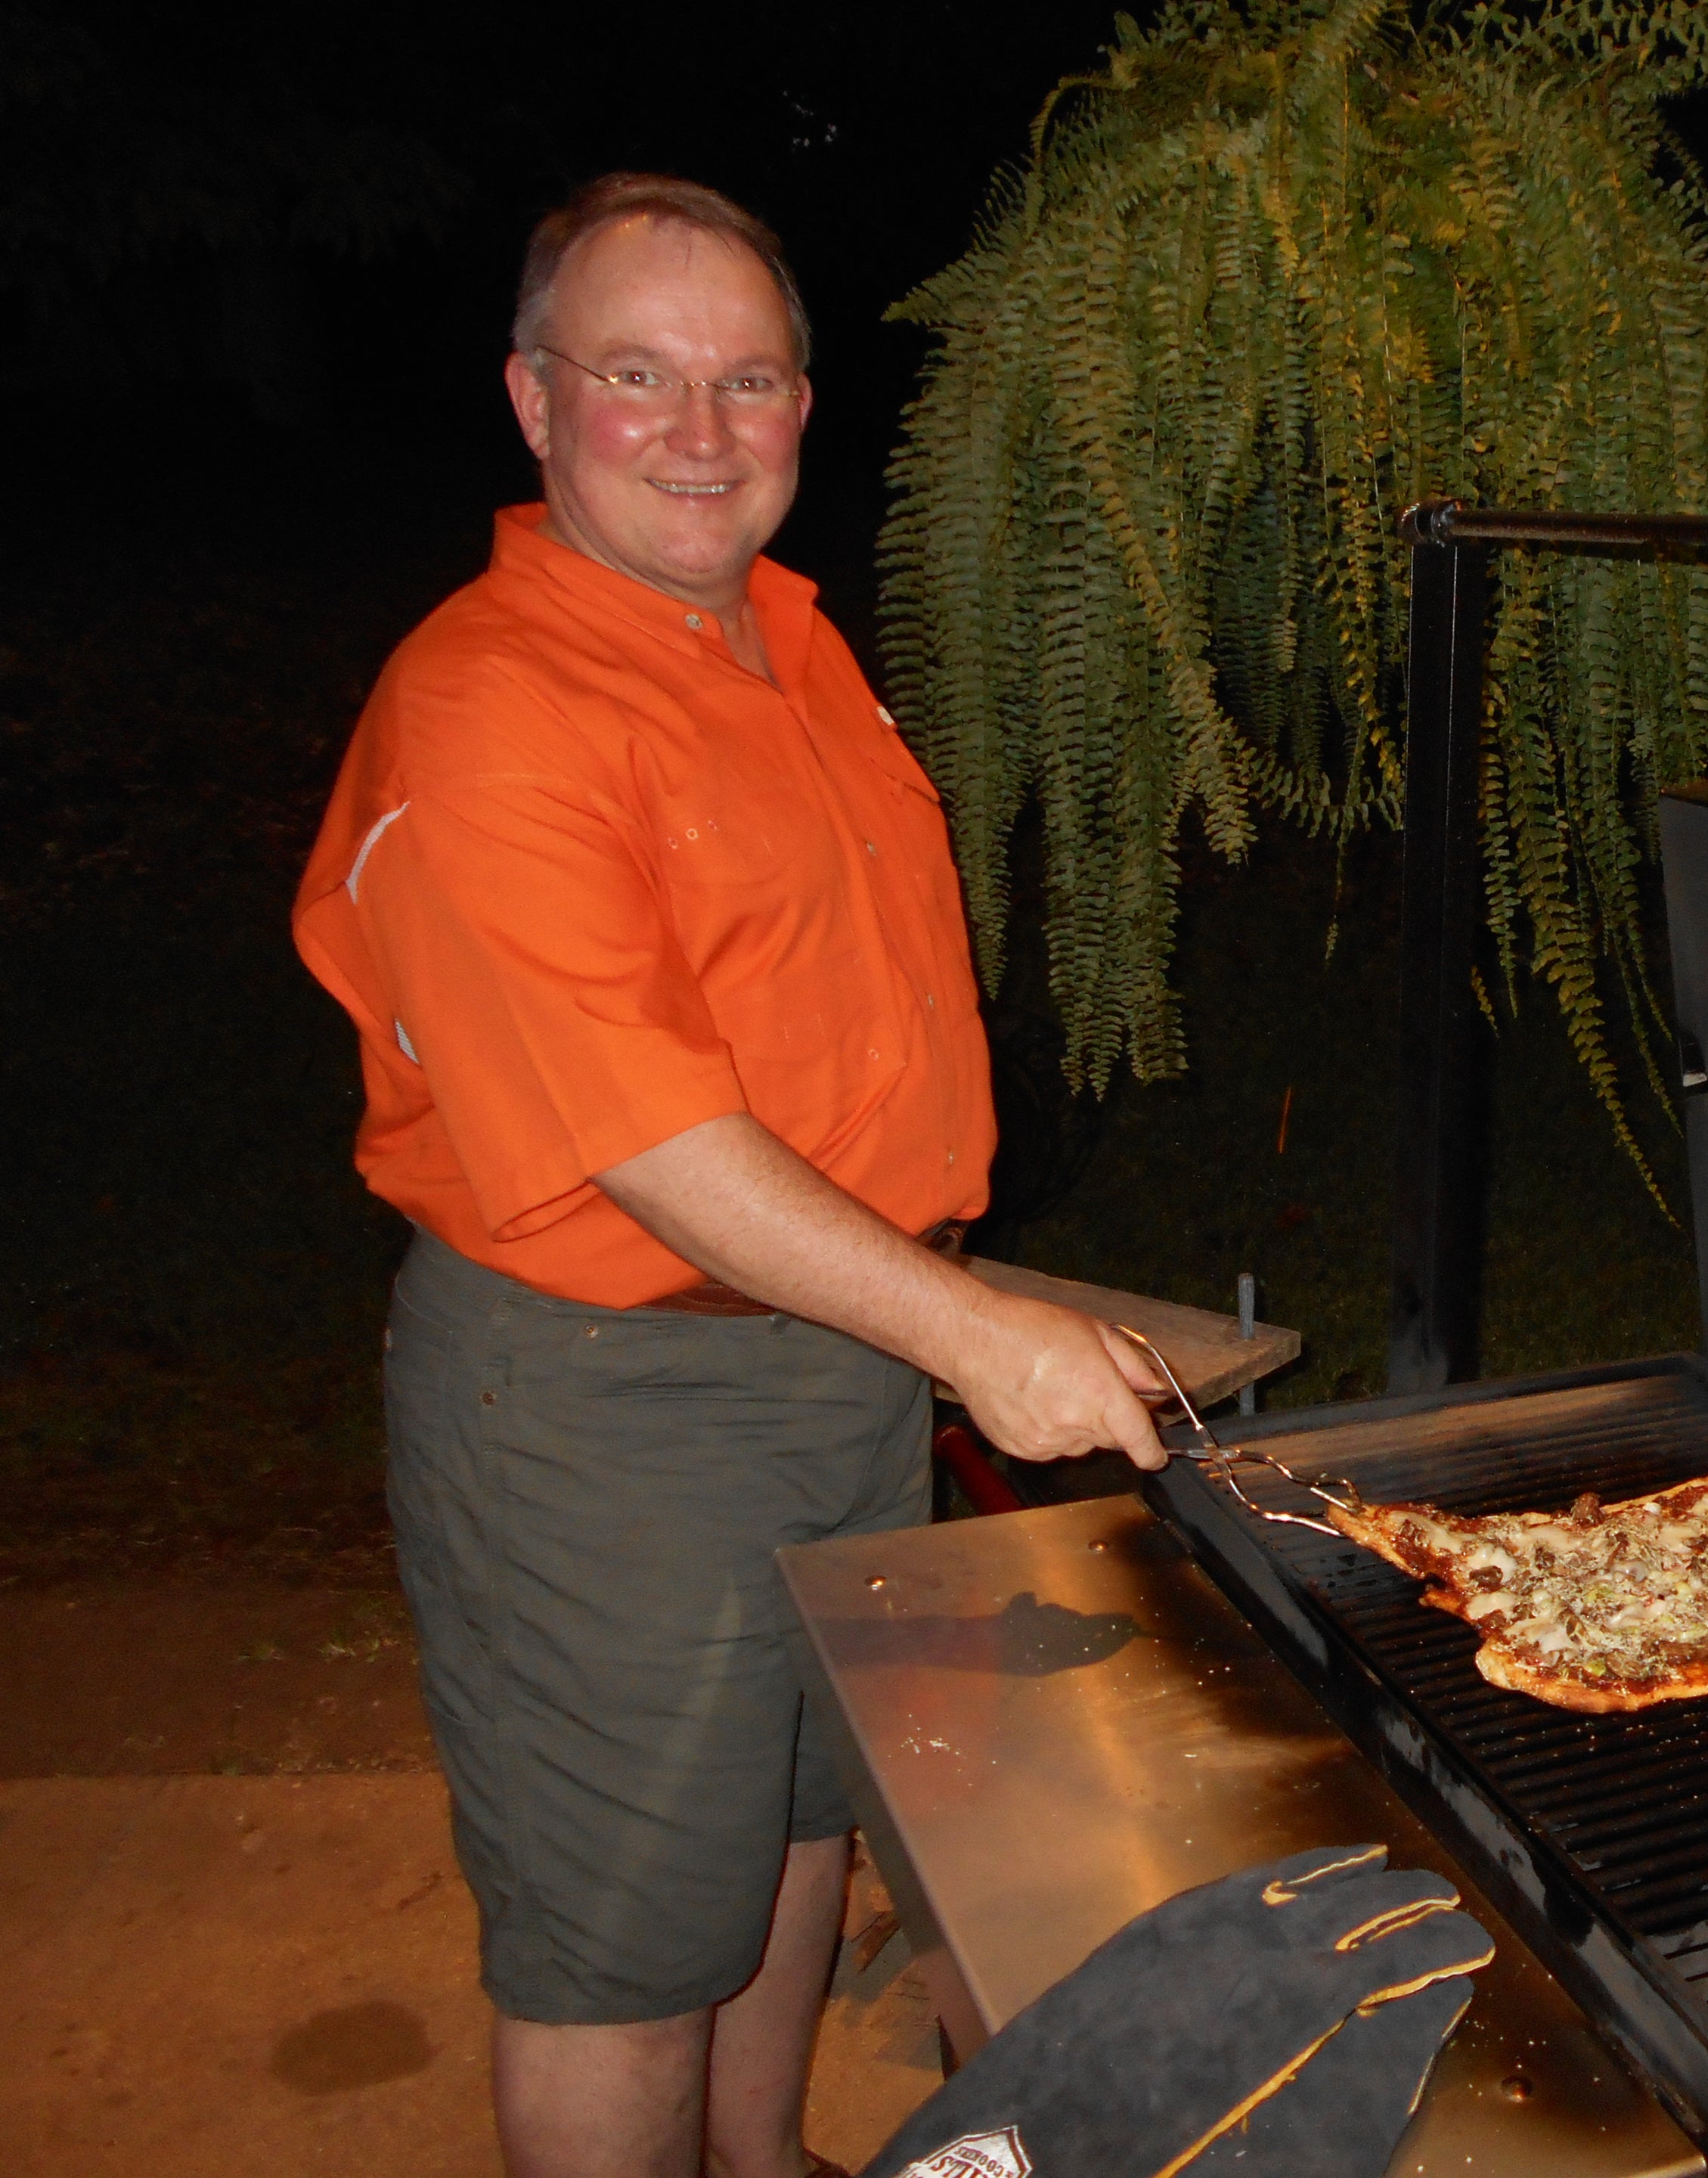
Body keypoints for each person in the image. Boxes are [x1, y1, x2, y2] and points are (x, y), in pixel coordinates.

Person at [293, 173, 1166, 2178]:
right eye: (636, 374)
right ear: (532, 401)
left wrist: (930, 1314)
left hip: (835, 1355)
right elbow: (645, 1138)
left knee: (789, 1827)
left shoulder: (779, 637)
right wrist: (980, 1335)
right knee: (620, 1939)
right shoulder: (493, 703)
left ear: (799, 406)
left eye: (749, 379)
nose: (701, 429)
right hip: (612, 1406)